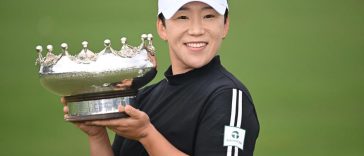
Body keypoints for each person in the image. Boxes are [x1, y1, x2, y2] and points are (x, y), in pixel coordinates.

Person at [62, 0, 259, 155]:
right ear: (162, 27)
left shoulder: (228, 96)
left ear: (225, 25)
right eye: (182, 17)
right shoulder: (145, 97)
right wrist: (97, 135)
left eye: (208, 16)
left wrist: (147, 134)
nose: (197, 30)